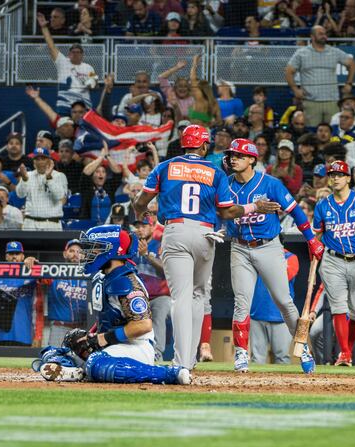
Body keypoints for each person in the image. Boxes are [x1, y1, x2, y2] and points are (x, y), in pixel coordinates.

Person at [131, 125, 282, 371]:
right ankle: (190, 360)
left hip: (176, 231)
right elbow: (226, 211)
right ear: (203, 146)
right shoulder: (215, 171)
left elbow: (142, 201)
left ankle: (181, 363)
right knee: (199, 296)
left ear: (184, 145)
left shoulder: (164, 167)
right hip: (204, 233)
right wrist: (254, 207)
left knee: (180, 297)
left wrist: (141, 212)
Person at [37, 226, 190, 385]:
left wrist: (101, 339)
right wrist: (89, 337)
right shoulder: (102, 277)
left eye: (95, 248)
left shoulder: (127, 281)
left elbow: (143, 325)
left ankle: (169, 373)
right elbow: (108, 316)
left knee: (96, 364)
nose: (89, 254)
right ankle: (78, 372)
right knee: (52, 353)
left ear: (110, 251)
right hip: (112, 345)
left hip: (136, 347)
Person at [223, 138, 323, 373]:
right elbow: (217, 210)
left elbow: (296, 212)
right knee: (241, 303)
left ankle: (302, 347)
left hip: (268, 246)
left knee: (284, 301)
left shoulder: (270, 183)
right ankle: (240, 354)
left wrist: (311, 240)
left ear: (251, 160)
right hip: (239, 247)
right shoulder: (225, 184)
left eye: (239, 155)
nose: (233, 158)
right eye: (232, 154)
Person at [313, 160, 355, 367]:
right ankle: (345, 353)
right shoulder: (322, 205)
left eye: (340, 174)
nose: (335, 178)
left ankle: (346, 350)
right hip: (332, 260)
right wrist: (315, 247)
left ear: (348, 178)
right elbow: (317, 235)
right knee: (338, 307)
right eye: (332, 174)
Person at [285, 25, 355, 127]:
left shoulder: (334, 51)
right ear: (312, 36)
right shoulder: (301, 53)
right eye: (320, 34)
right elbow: (288, 71)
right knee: (312, 134)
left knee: (333, 133)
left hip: (332, 101)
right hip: (311, 102)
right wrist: (295, 90)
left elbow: (352, 64)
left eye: (325, 34)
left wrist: (349, 83)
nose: (324, 36)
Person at [37, 12, 98, 114]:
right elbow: (51, 46)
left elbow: (95, 85)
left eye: (78, 52)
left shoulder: (89, 68)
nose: (75, 54)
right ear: (69, 54)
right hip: (65, 104)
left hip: (84, 106)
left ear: (83, 55)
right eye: (73, 52)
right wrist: (44, 28)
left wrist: (91, 84)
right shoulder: (63, 62)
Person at [132, 214, 172, 359]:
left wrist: (147, 255)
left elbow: (167, 270)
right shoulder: (131, 246)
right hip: (139, 295)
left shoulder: (161, 244)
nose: (140, 229)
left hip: (160, 295)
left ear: (152, 227)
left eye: (144, 226)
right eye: (137, 226)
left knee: (158, 317)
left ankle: (157, 353)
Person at [249, 249, 298, 365]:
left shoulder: (290, 257)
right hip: (256, 313)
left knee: (282, 358)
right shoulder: (253, 256)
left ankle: (285, 384)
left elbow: (282, 277)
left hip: (281, 317)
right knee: (257, 359)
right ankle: (254, 384)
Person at [0, 241, 38, 346]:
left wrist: (35, 263)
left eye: (17, 254)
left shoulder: (31, 274)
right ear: (6, 256)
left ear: (23, 256)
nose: (14, 257)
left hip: (23, 333)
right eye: (11, 254)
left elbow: (48, 281)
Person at [15, 147, 69, 230]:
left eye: (43, 158)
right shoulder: (28, 175)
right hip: (30, 223)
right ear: (33, 162)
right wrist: (24, 180)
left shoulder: (59, 176)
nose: (40, 162)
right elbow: (20, 195)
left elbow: (60, 196)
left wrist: (49, 178)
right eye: (37, 159)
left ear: (49, 160)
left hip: (51, 224)